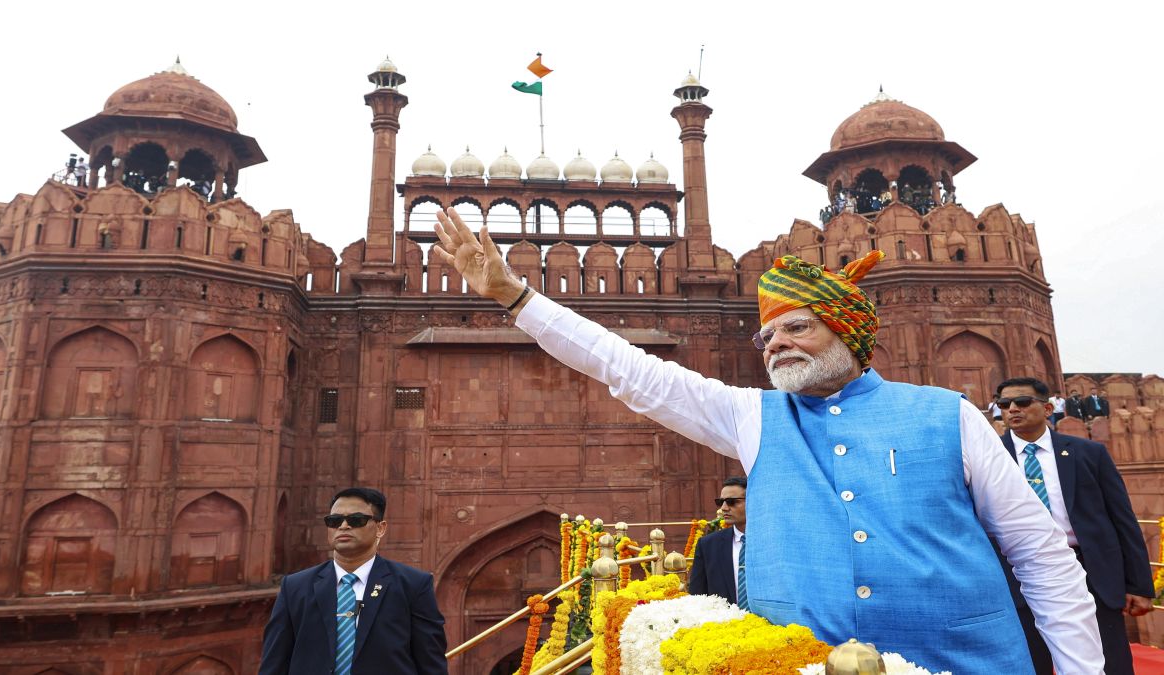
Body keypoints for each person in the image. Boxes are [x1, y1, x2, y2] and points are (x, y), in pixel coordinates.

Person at [430, 207, 1101, 674]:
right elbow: (629, 369)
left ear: (848, 332)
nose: (775, 345)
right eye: (767, 336)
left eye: (796, 329)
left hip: (961, 663)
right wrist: (515, 297)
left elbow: (1044, 561)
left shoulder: (946, 416)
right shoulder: (754, 417)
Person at [994, 377, 1153, 675]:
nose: (1012, 409)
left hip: (1087, 568)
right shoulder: (990, 458)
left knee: (1108, 659)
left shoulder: (1088, 453)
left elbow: (1122, 520)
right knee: (1031, 660)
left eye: (1022, 402)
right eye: (1004, 404)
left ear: (1048, 407)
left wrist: (1138, 585)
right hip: (1018, 569)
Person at [260, 487, 448, 675]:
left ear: (380, 528)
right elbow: (274, 662)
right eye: (334, 521)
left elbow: (431, 664)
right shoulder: (296, 587)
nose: (343, 526)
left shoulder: (412, 585)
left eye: (355, 520)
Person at [688, 477, 748, 608]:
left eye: (731, 502)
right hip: (724, 625)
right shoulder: (708, 545)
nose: (724, 508)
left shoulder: (775, 543)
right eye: (720, 502)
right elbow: (697, 597)